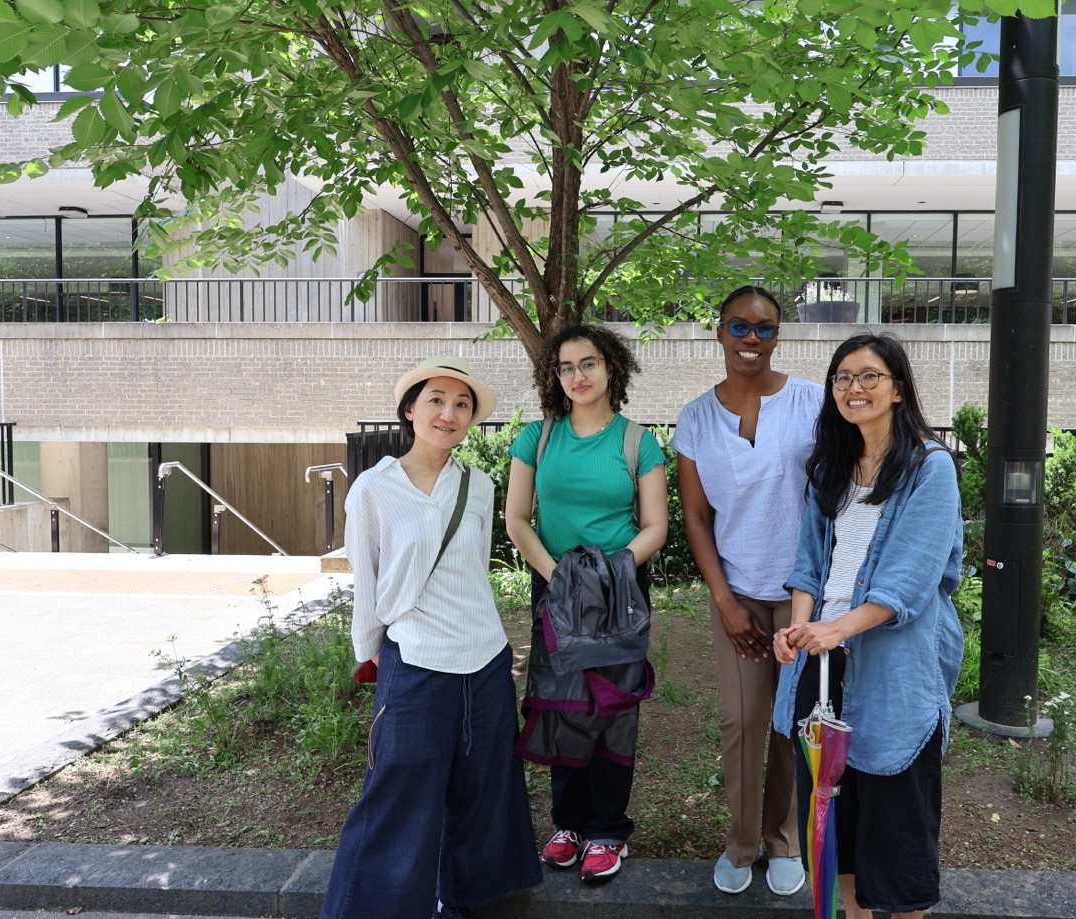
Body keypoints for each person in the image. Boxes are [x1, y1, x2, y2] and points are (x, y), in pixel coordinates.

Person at [321, 356, 541, 919]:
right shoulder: (373, 489)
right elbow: (365, 578)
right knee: (399, 795)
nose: (449, 413)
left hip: (485, 659)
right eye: (437, 400)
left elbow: (472, 574)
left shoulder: (480, 485)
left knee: (484, 787)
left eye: (462, 404)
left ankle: (471, 897)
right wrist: (366, 653)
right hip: (414, 660)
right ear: (410, 410)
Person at [771, 333, 964, 919]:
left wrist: (836, 630)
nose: (854, 388)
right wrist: (798, 632)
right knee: (836, 836)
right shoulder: (831, 467)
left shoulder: (931, 469)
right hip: (822, 669)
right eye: (842, 379)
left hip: (893, 674)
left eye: (869, 376)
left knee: (898, 844)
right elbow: (808, 565)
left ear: (899, 388)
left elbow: (908, 583)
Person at [505, 324, 669, 882]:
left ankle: (607, 831)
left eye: (589, 364)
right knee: (560, 703)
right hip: (555, 590)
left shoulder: (637, 441)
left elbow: (655, 528)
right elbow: (517, 520)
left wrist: (605, 574)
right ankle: (569, 825)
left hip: (620, 594)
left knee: (613, 709)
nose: (578, 376)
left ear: (612, 369)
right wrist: (562, 578)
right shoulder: (537, 437)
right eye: (566, 367)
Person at [673, 285, 821, 896]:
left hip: (801, 593)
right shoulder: (696, 418)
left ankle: (784, 839)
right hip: (736, 593)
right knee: (742, 722)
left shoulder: (813, 402)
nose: (751, 338)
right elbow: (695, 517)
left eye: (763, 328)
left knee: (790, 721)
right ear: (720, 333)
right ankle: (740, 840)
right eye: (739, 327)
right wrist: (725, 602)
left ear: (778, 335)